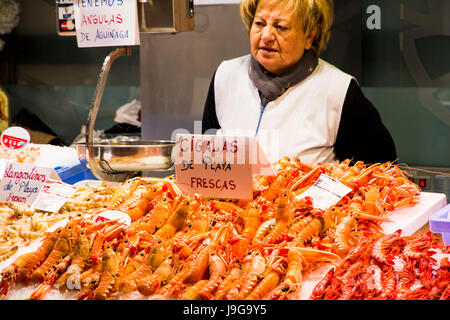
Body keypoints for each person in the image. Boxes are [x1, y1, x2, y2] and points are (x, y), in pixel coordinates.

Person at [202, 0, 397, 164]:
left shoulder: (339, 91)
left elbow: (380, 171)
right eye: (260, 23)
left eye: (281, 27)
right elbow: (205, 161)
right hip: (227, 208)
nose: (267, 36)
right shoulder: (225, 76)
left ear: (309, 36)